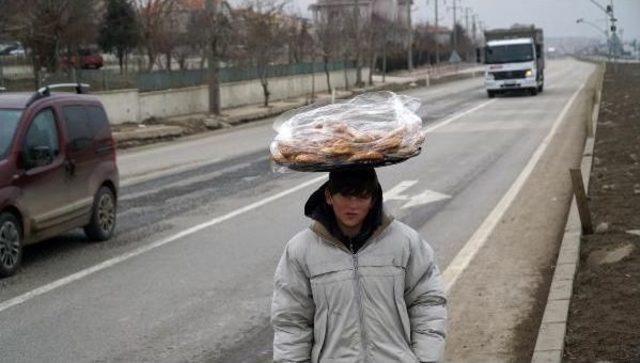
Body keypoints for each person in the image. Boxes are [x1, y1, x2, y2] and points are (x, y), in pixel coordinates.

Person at [271, 167, 447, 363]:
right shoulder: (300, 249)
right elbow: (291, 321)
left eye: (362, 196)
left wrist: (425, 359)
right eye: (345, 195)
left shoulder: (406, 242)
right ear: (329, 196)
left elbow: (428, 303)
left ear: (373, 200)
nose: (352, 205)